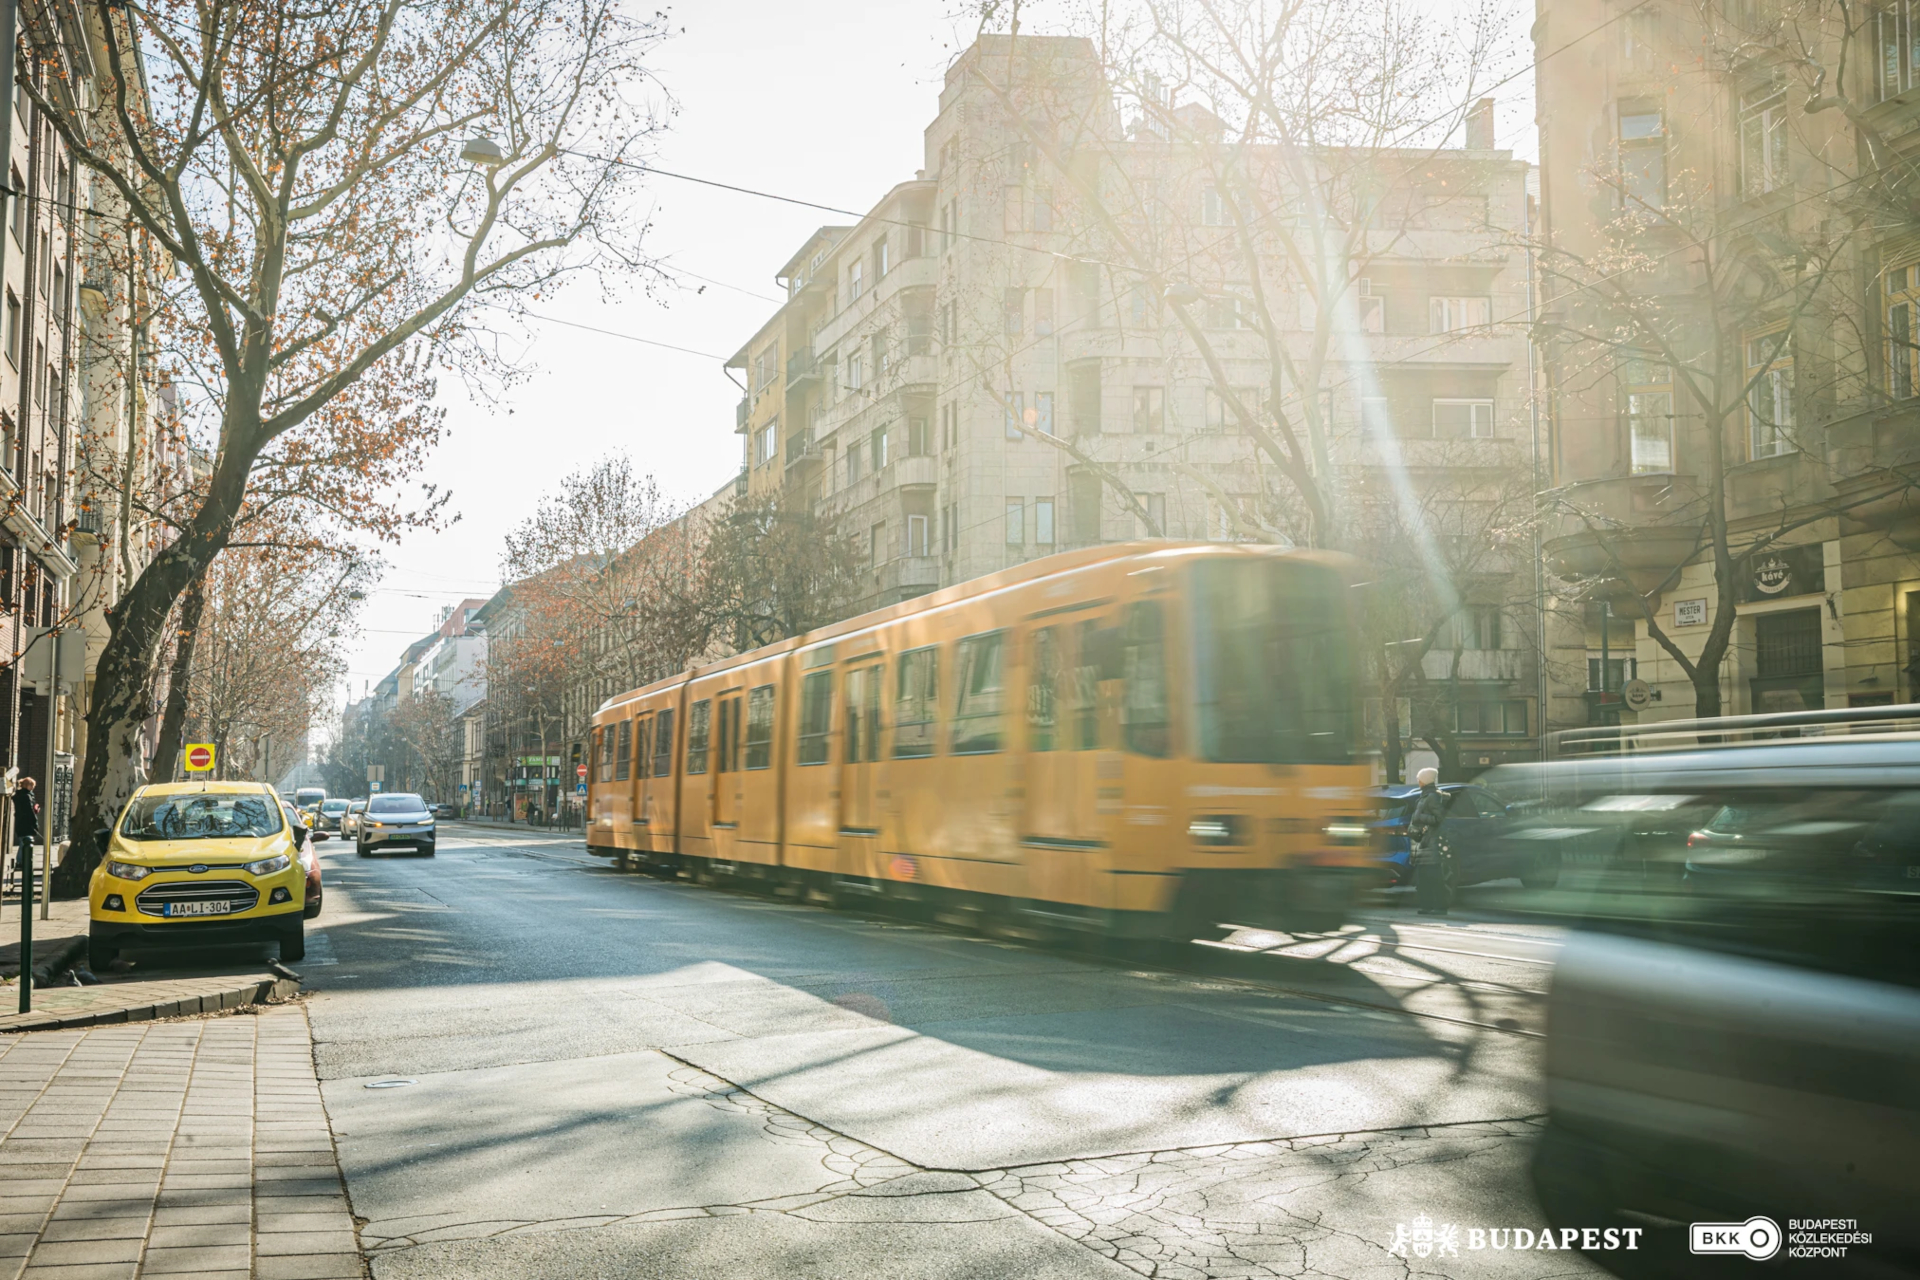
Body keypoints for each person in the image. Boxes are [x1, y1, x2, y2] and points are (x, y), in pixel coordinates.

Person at [1406, 767, 1453, 917]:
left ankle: (1438, 907)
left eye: (1420, 778)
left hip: (1431, 843)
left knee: (1433, 876)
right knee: (1425, 877)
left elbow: (1439, 818)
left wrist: (1421, 818)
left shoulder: (1432, 796)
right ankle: (1428, 906)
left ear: (1425, 780)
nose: (1418, 781)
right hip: (1424, 842)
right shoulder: (1426, 795)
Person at [10, 777, 39, 897]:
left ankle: (20, 860)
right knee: (25, 842)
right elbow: (29, 811)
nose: (32, 788)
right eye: (31, 785)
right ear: (27, 785)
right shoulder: (26, 796)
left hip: (20, 823)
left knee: (23, 841)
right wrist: (35, 823)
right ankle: (21, 861)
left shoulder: (19, 795)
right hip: (27, 823)